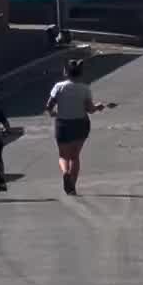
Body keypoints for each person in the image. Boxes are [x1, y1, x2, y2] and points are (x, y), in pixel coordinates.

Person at [46, 57, 105, 196]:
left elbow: (49, 105)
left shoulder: (59, 87)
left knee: (63, 155)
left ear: (66, 72)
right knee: (75, 156)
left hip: (63, 124)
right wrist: (98, 107)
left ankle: (65, 172)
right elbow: (90, 109)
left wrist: (52, 113)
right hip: (80, 124)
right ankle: (72, 187)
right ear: (80, 73)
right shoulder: (85, 88)